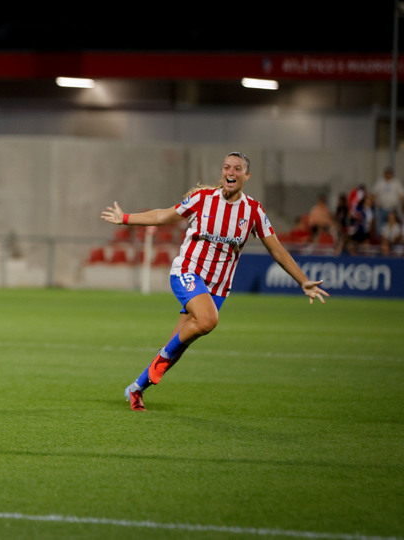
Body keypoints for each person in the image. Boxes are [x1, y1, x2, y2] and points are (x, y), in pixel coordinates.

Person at [101, 151, 329, 412]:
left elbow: (276, 249)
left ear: (247, 176)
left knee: (179, 343)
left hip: (217, 288)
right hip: (187, 271)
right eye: (226, 167)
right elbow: (163, 216)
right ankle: (159, 362)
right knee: (208, 321)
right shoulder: (202, 199)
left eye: (237, 169)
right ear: (222, 172)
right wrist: (125, 218)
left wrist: (302, 281)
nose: (230, 172)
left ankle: (136, 388)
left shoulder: (253, 211)